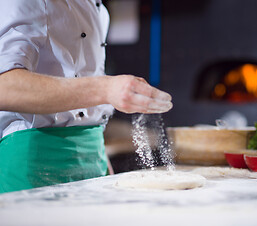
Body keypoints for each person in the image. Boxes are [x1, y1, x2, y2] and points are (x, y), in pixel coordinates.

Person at [0, 0, 172, 194]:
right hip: (33, 163)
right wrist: (105, 89)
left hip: (93, 160)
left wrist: (101, 158)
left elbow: (85, 105)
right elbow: (5, 87)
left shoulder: (97, 9)